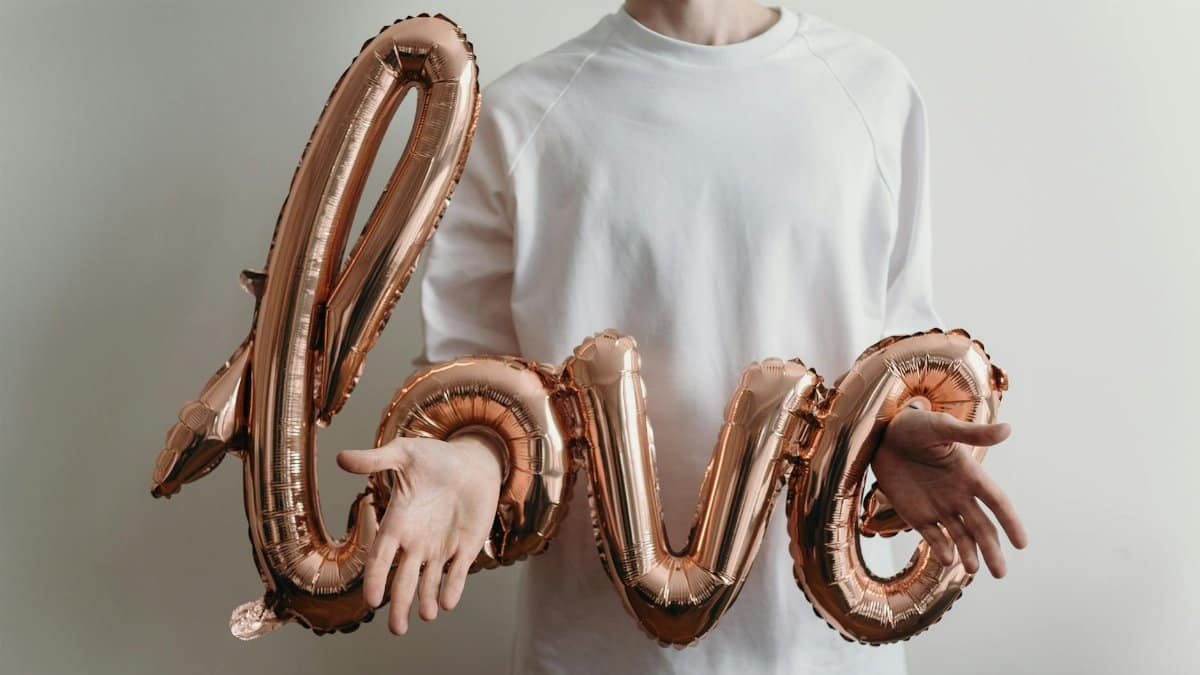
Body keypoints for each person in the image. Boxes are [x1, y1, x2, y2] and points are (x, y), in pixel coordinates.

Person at [337, 1, 1028, 673]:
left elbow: (897, 350)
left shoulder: (873, 93)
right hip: (594, 653)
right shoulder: (524, 116)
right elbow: (472, 390)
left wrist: (891, 434)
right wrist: (473, 464)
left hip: (819, 655)